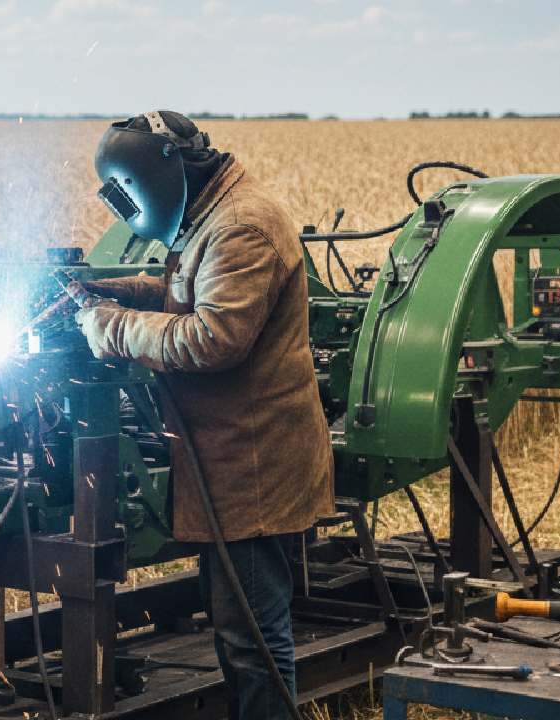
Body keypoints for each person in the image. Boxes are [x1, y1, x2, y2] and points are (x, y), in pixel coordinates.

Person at [75, 111, 333, 719]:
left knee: (252, 634)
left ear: (164, 175)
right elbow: (189, 291)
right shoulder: (214, 214)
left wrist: (109, 327)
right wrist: (117, 290)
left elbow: (213, 337)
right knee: (240, 623)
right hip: (233, 456)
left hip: (254, 463)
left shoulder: (243, 227)